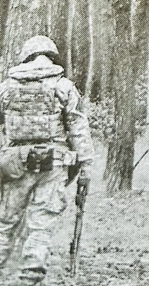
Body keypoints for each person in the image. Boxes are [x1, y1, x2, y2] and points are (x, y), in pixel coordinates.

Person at [0, 35, 94, 284]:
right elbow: (77, 127)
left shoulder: (6, 87)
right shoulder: (63, 86)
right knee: (41, 221)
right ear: (51, 56)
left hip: (16, 162)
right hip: (53, 162)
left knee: (5, 221)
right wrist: (85, 163)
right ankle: (32, 271)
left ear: (26, 56)